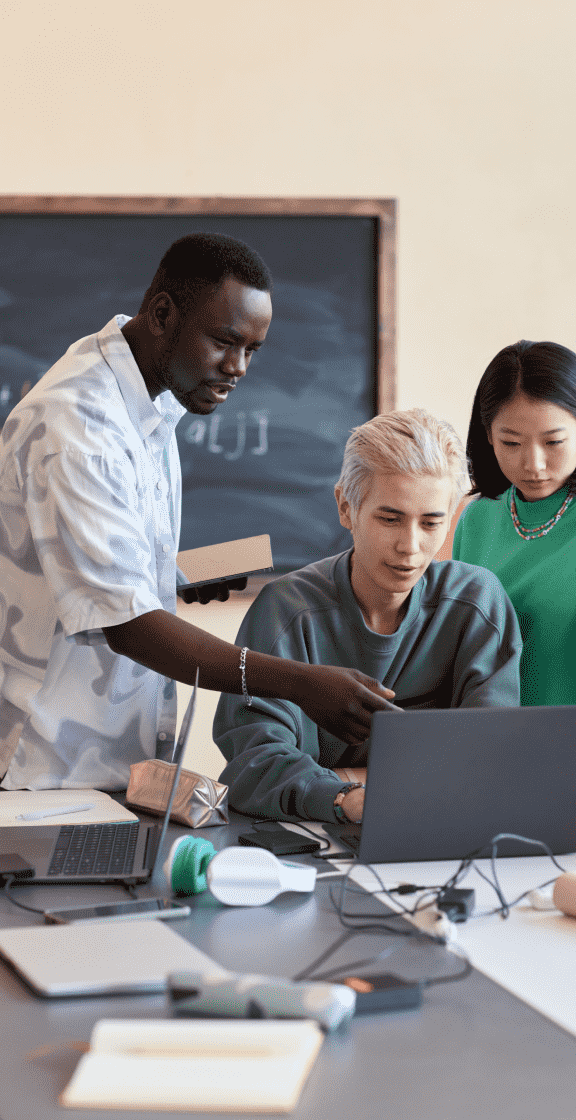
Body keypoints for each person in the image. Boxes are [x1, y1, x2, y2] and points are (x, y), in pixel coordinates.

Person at [0, 232, 397, 791]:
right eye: (224, 341)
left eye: (252, 350)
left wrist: (187, 572)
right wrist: (301, 684)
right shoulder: (80, 428)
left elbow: (105, 564)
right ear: (163, 313)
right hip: (43, 769)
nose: (237, 367)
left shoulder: (151, 398)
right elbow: (130, 626)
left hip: (109, 759)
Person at [213, 408, 522, 823]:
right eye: (390, 519)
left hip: (443, 823)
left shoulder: (477, 603)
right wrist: (346, 800)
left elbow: (492, 750)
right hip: (314, 835)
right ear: (346, 507)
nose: (410, 546)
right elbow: (253, 761)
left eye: (431, 522)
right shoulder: (285, 610)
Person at [452, 340, 576, 772]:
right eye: (511, 442)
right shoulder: (477, 518)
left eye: (553, 441)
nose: (533, 464)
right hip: (493, 755)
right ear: (487, 437)